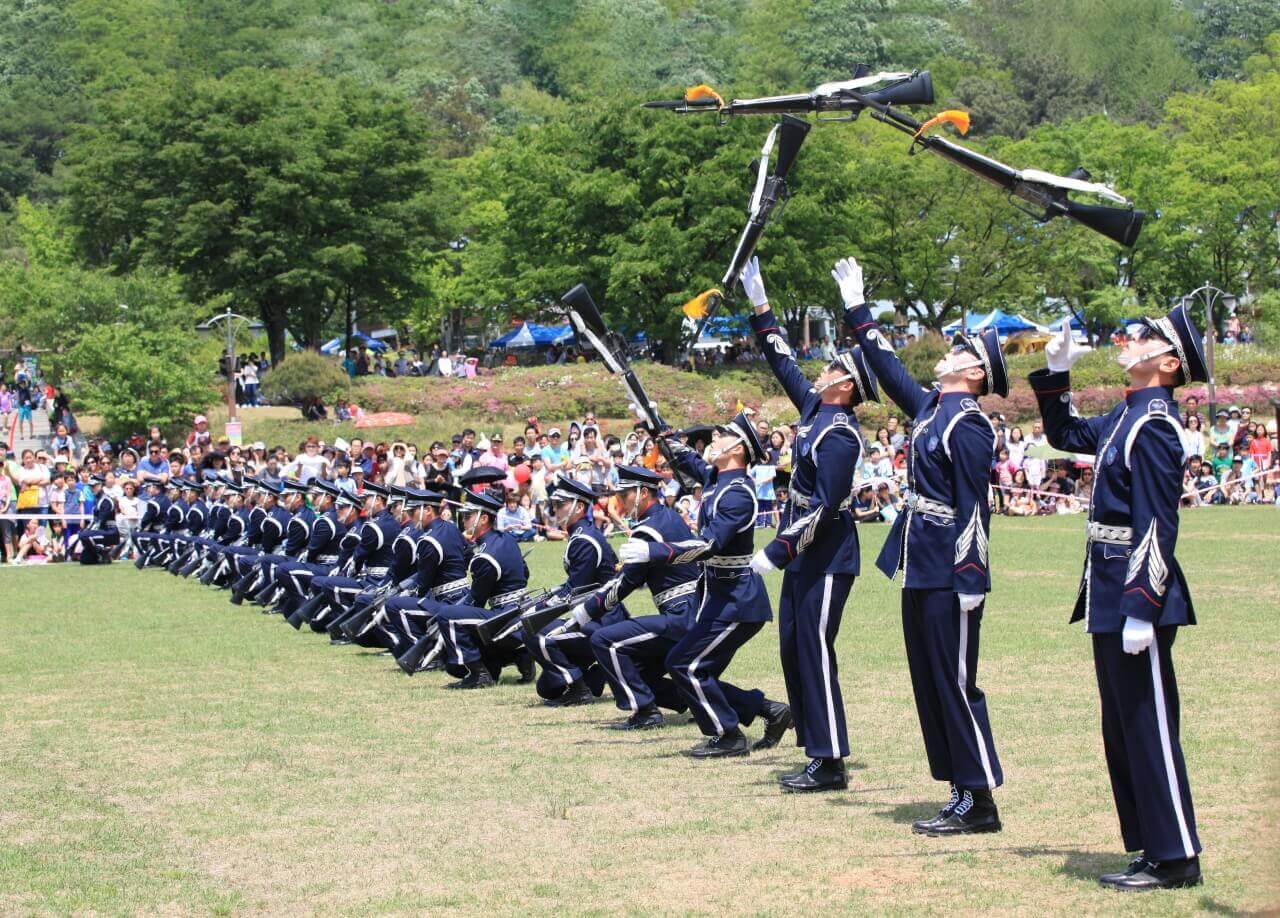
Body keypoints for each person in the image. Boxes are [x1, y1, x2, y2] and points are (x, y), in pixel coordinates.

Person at [1030, 306, 1205, 891]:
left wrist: (1140, 606)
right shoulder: (1127, 415)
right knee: (1123, 727)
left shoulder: (1155, 423)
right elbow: (1065, 435)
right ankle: (1153, 847)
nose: (1132, 342)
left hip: (1135, 591)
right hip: (1108, 586)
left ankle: (1177, 855)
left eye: (1148, 339)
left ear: (1170, 363)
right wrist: (1057, 376)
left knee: (1147, 724)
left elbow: (1158, 524)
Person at [840, 254, 1005, 835]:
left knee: (956, 681)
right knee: (931, 680)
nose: (950, 350)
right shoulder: (935, 409)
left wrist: (970, 578)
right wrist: (858, 310)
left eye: (962, 350)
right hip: (920, 561)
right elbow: (886, 368)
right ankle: (961, 788)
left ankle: (981, 800)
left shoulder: (970, 424)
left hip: (950, 569)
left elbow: (974, 510)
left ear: (976, 374)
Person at [743, 256, 880, 792]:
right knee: (794, 646)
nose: (821, 370)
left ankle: (831, 760)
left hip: (824, 554)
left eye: (833, 368)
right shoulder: (815, 412)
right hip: (804, 553)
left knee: (816, 649)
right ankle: (816, 750)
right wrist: (762, 308)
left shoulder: (841, 434)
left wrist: (779, 551)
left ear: (846, 386)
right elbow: (783, 364)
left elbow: (826, 505)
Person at [618, 411, 791, 759]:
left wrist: (654, 551)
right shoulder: (717, 478)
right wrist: (657, 425)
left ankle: (728, 735)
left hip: (738, 602)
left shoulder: (738, 493)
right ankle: (768, 710)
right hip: (716, 598)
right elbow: (684, 457)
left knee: (687, 664)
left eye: (723, 434)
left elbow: (709, 545)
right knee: (690, 664)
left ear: (738, 448)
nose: (714, 436)